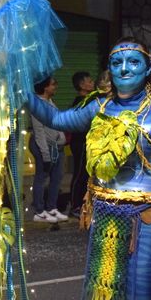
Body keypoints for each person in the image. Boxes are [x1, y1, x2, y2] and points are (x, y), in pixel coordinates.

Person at [27, 38, 151, 300]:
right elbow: (58, 120)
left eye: (133, 62)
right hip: (107, 216)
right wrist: (23, 91)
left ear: (149, 69)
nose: (124, 69)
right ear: (110, 69)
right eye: (117, 63)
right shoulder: (100, 107)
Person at [29, 76, 68, 223]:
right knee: (42, 177)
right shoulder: (37, 105)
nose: (55, 86)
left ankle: (52, 207)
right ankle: (39, 211)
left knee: (56, 177)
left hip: (56, 146)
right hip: (44, 146)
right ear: (45, 87)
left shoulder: (49, 102)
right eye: (53, 84)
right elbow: (39, 132)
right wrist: (45, 154)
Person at [69, 71, 95, 218]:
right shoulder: (80, 102)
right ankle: (75, 205)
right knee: (79, 174)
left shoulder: (90, 100)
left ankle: (84, 204)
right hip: (81, 142)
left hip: (88, 142)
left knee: (86, 175)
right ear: (81, 85)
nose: (92, 83)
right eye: (89, 81)